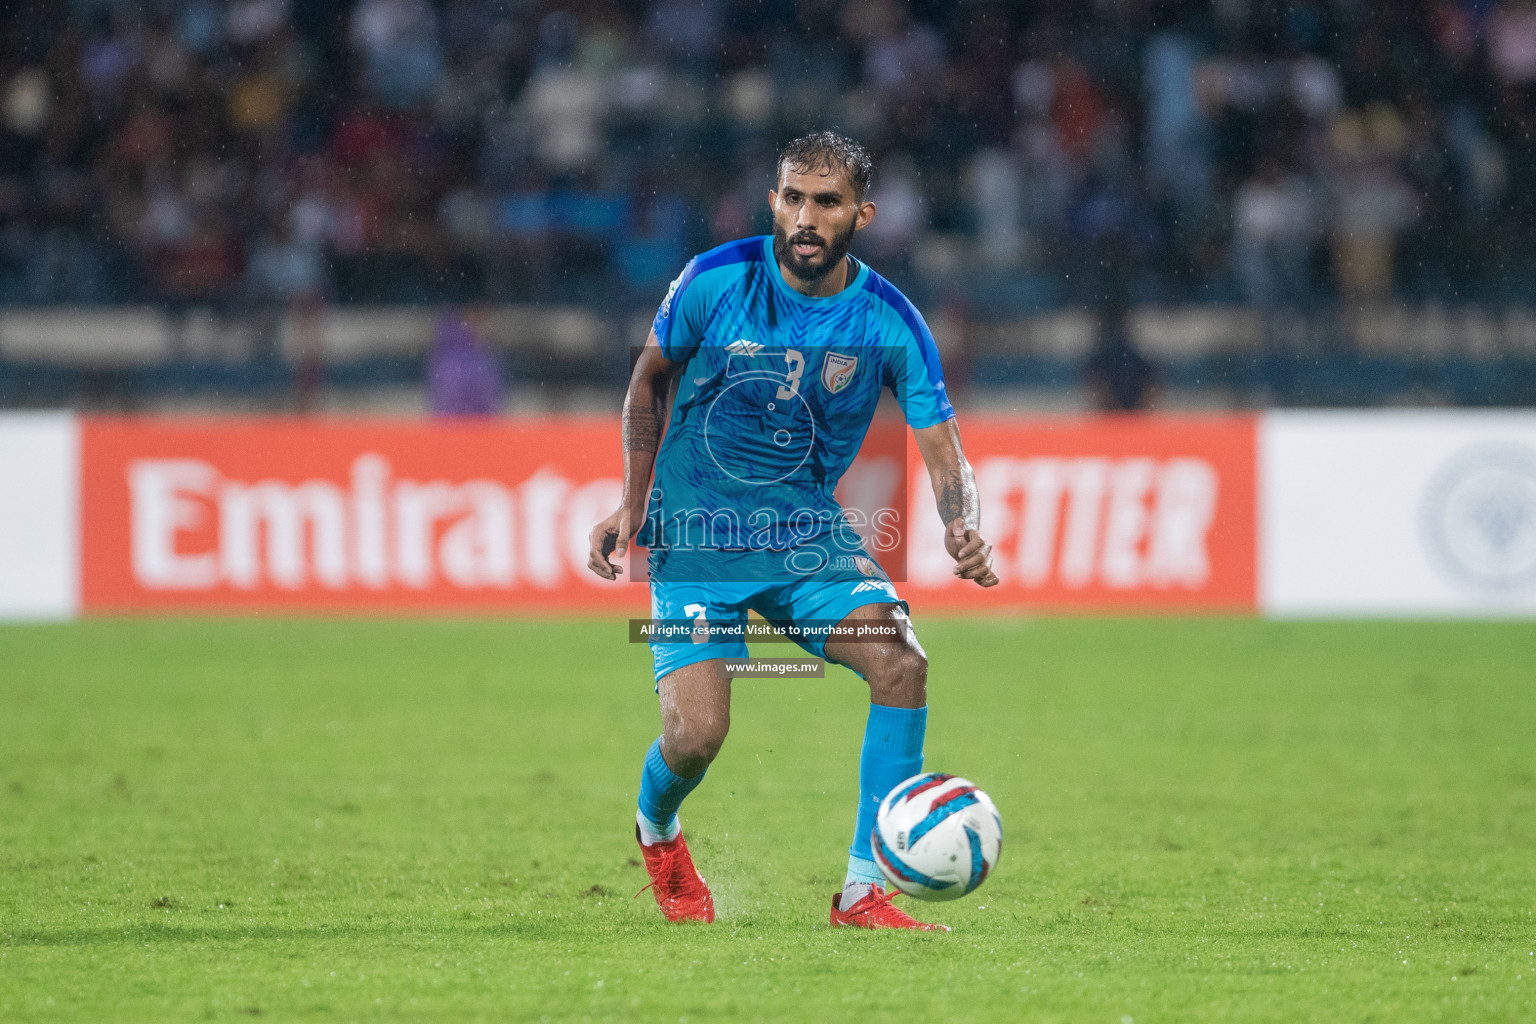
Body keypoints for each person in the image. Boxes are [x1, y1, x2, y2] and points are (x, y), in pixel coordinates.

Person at [587, 133, 998, 931]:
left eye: (828, 202)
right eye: (793, 198)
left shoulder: (888, 321)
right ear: (774, 200)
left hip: (805, 535)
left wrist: (962, 525)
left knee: (900, 662)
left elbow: (941, 440)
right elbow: (648, 380)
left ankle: (860, 894)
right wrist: (630, 503)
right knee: (698, 735)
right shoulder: (716, 279)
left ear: (862, 214)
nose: (806, 218)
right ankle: (658, 831)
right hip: (696, 531)